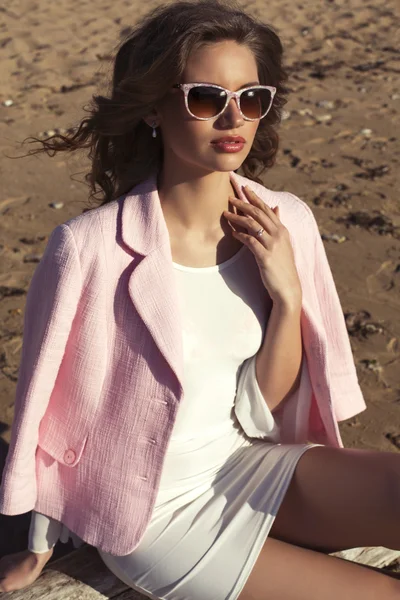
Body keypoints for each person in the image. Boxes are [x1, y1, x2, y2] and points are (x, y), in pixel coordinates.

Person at [0, 0, 399, 598]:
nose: (233, 117)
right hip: (157, 515)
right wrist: (33, 544)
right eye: (207, 98)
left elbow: (260, 409)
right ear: (156, 108)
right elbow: (48, 406)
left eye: (252, 98)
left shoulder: (285, 221)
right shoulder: (88, 248)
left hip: (252, 463)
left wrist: (287, 296)